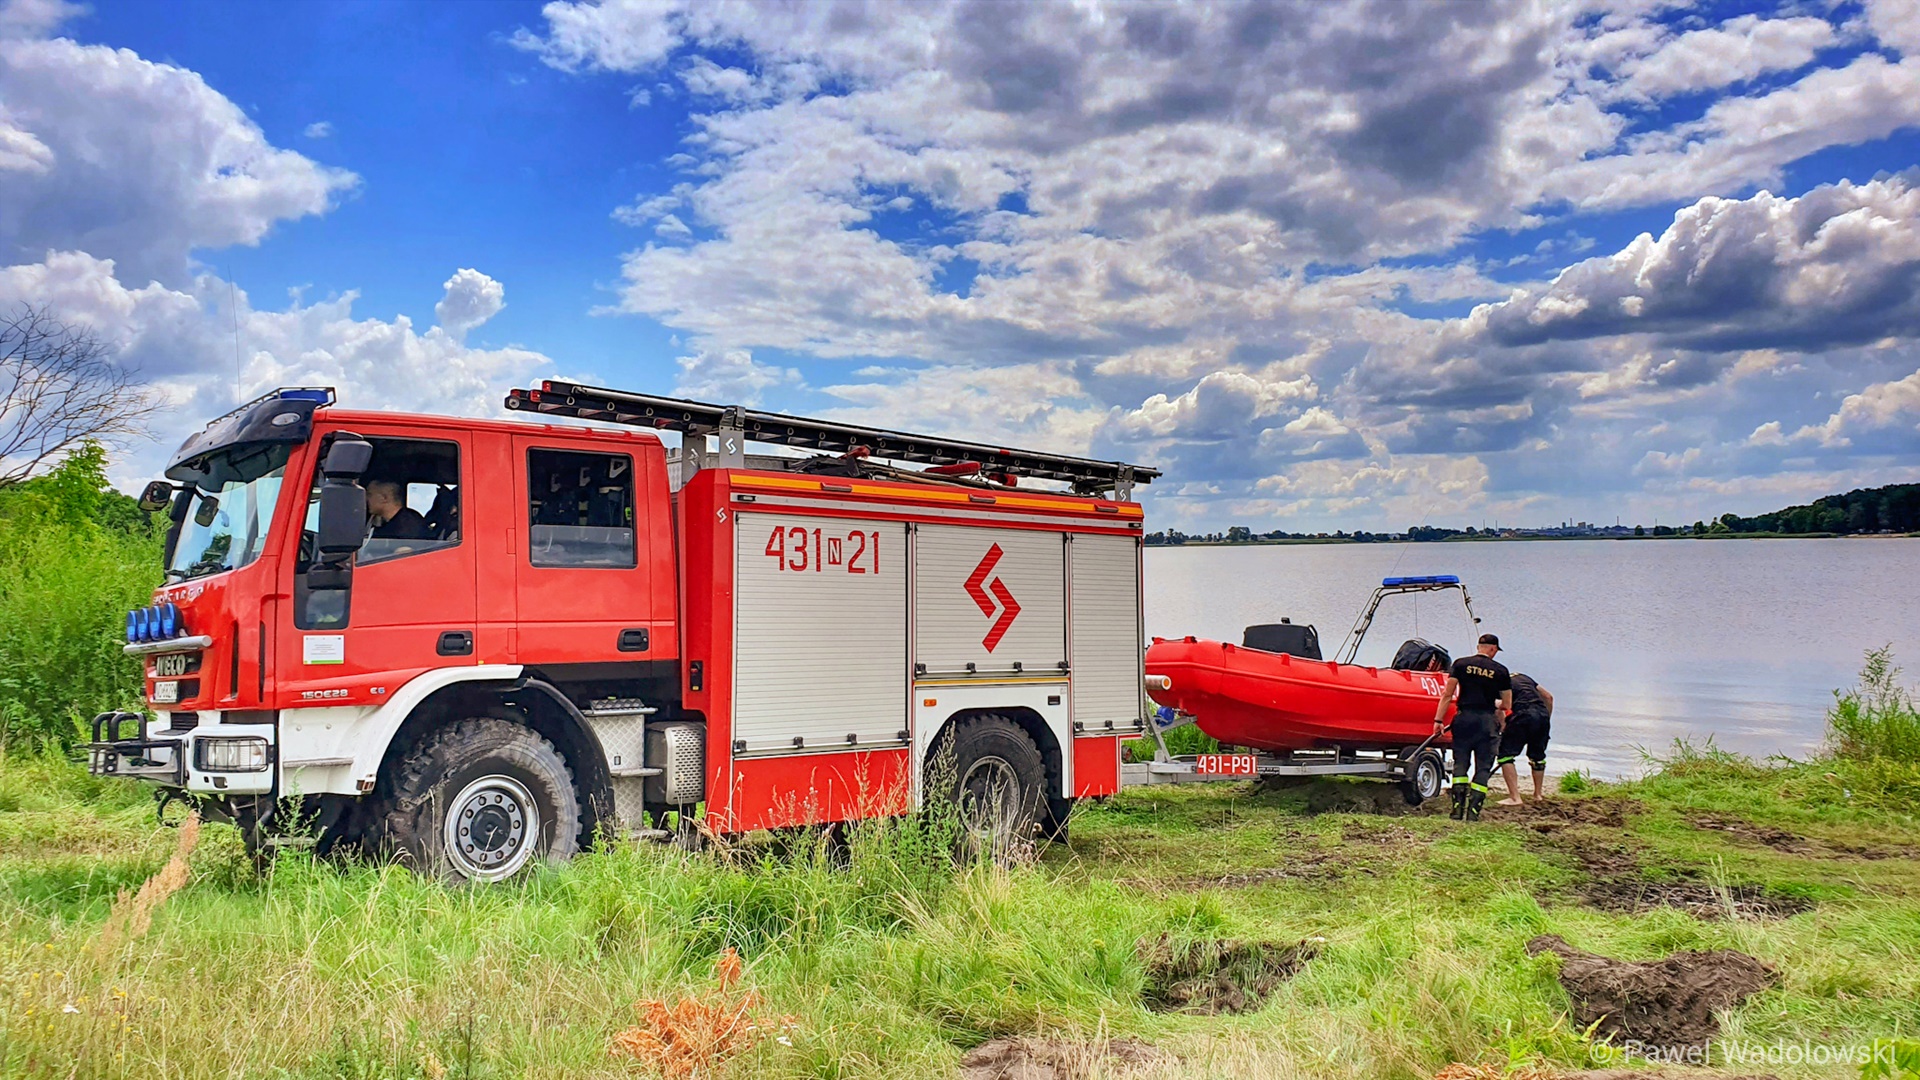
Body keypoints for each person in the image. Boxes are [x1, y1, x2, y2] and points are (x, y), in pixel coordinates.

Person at [1432, 633, 1512, 822]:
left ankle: (1457, 809)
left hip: (1464, 719)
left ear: (1479, 647)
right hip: (1486, 721)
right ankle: (1473, 812)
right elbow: (1507, 704)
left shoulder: (1460, 664)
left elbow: (1447, 694)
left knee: (1461, 764)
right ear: (1492, 649)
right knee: (1483, 767)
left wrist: (1438, 720)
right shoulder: (1500, 670)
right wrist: (1494, 703)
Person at [1497, 673, 1554, 805]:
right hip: (1542, 715)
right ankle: (1538, 794)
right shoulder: (1525, 677)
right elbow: (1548, 697)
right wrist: (1546, 719)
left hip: (1522, 715)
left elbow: (1502, 707)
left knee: (1505, 755)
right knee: (1537, 756)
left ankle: (1515, 798)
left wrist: (1503, 727)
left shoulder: (1500, 683)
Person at [365, 479, 431, 540]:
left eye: (369, 494)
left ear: (384, 498)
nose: (366, 499)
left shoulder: (407, 525)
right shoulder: (390, 523)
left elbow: (405, 550)